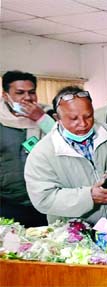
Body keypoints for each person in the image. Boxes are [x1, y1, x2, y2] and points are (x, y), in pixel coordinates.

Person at [24, 86, 107, 226]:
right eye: (73, 119)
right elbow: (44, 198)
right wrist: (89, 196)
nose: (83, 124)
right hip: (72, 235)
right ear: (57, 118)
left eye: (88, 116)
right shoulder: (42, 153)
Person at [0, 70, 55, 227]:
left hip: (43, 199)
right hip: (8, 202)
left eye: (31, 92)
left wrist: (41, 119)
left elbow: (65, 141)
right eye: (19, 93)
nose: (27, 98)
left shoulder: (48, 115)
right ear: (5, 95)